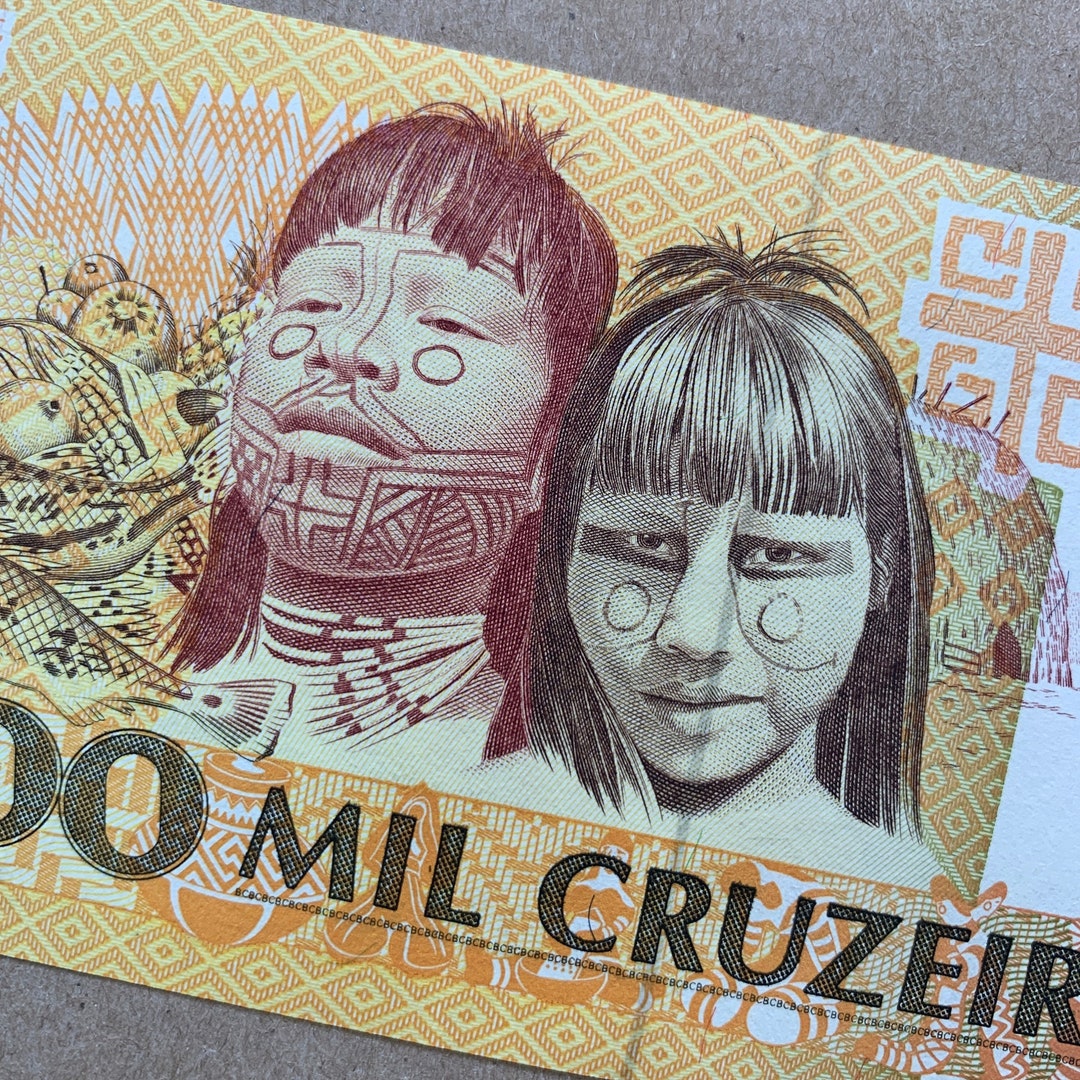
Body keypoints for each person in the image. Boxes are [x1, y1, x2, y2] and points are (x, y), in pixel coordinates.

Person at [165, 104, 618, 779]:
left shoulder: (553, 781)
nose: (346, 343)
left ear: (550, 448)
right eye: (314, 301)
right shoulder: (108, 681)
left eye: (448, 321)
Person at [482, 231, 939, 885]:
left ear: (883, 569)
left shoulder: (913, 892)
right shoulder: (443, 811)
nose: (696, 636)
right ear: (563, 552)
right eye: (647, 546)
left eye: (777, 553)